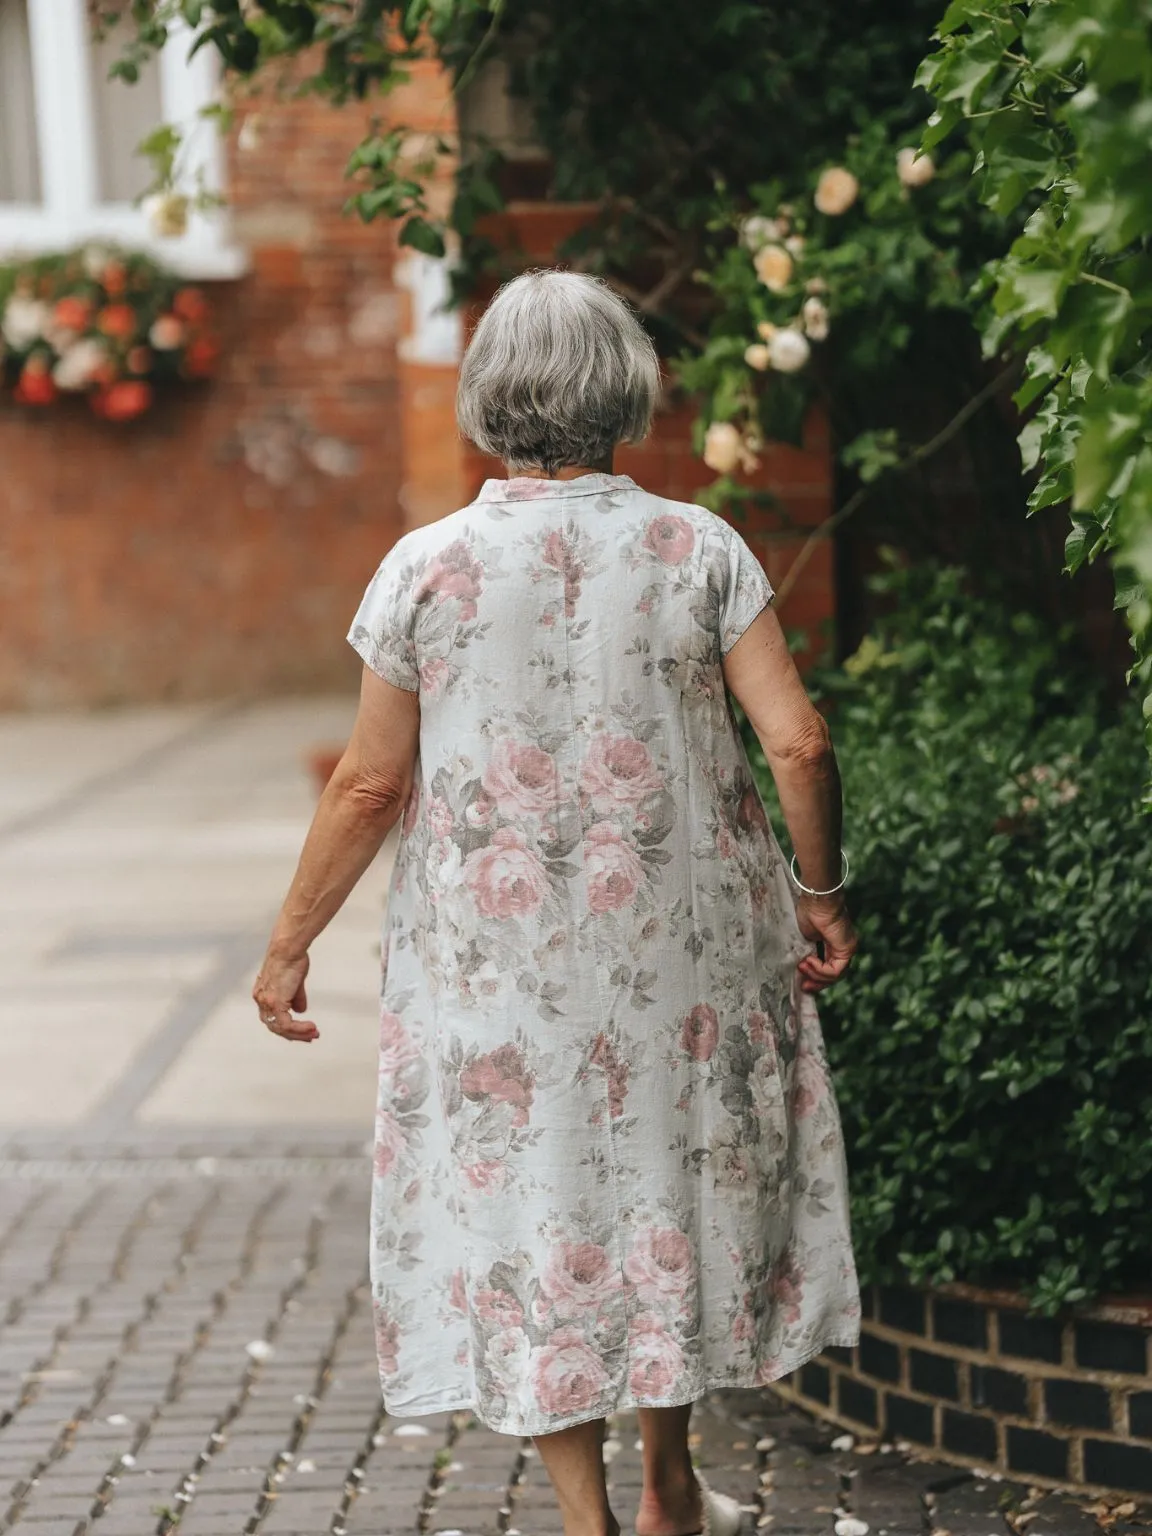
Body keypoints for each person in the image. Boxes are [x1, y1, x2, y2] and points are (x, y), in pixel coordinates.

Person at [254, 270, 859, 1536]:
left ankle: (586, 1520)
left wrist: (289, 943)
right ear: (624, 393)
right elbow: (798, 745)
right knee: (658, 1194)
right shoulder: (701, 548)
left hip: (499, 975)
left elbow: (369, 783)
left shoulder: (426, 569)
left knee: (537, 1214)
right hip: (684, 960)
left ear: (489, 399)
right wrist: (820, 894)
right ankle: (671, 1476)